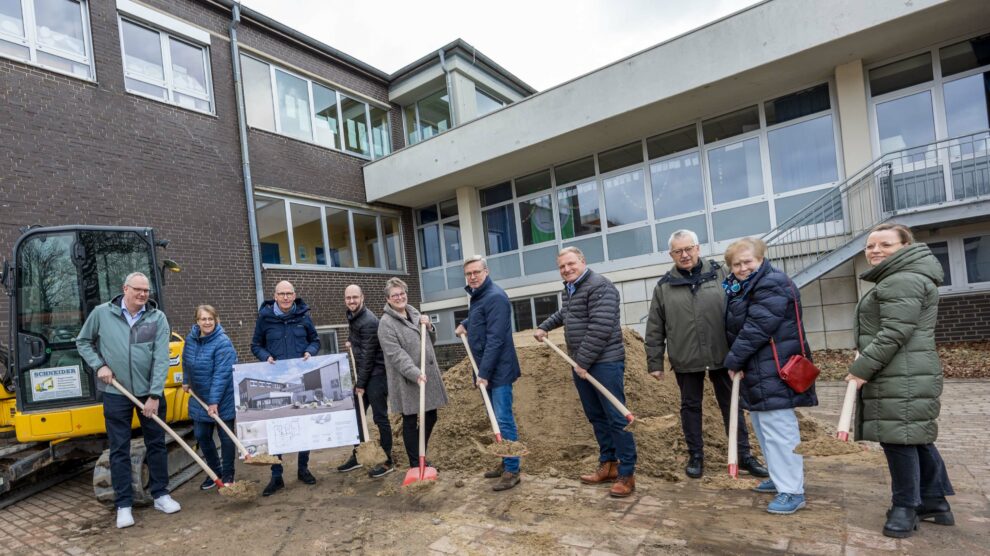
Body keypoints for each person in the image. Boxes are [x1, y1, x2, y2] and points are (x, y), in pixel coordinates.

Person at [845, 223, 954, 538]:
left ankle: (906, 508)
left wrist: (862, 368)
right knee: (914, 436)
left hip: (900, 371)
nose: (875, 250)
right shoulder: (904, 277)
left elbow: (894, 332)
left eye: (885, 244)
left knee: (898, 440)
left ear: (906, 247)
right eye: (870, 245)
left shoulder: (901, 279)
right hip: (906, 369)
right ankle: (934, 502)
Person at [645, 230, 768, 480]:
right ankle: (696, 456)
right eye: (678, 251)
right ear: (671, 255)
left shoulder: (721, 273)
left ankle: (743, 455)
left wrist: (744, 349)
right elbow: (655, 326)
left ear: (698, 248)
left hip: (724, 355)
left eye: (688, 248)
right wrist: (655, 362)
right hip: (686, 358)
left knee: (731, 405)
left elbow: (743, 303)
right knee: (690, 407)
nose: (685, 255)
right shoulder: (664, 287)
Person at [76, 272, 181, 529]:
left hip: (149, 393)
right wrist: (99, 365)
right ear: (125, 288)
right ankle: (124, 505)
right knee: (119, 448)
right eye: (138, 290)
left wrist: (155, 395)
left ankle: (161, 495)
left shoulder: (156, 318)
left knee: (156, 444)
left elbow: (161, 358)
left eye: (146, 290)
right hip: (116, 393)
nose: (143, 294)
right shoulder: (102, 314)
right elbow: (83, 341)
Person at [722, 238, 817, 515]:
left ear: (761, 259)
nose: (742, 268)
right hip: (758, 368)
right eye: (736, 264)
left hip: (775, 368)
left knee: (780, 431)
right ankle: (779, 478)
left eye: (748, 261)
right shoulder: (741, 287)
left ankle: (792, 491)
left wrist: (733, 359)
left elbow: (758, 327)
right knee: (765, 429)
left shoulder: (772, 283)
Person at [534, 247, 637, 498]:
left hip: (604, 363)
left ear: (583, 261)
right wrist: (545, 327)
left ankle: (627, 473)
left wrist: (583, 361)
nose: (567, 269)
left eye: (571, 264)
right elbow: (567, 314)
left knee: (616, 418)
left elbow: (600, 327)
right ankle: (609, 465)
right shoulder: (571, 289)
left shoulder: (600, 286)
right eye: (562, 266)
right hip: (584, 364)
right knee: (597, 416)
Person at [455, 255, 522, 491]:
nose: (472, 277)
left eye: (476, 272)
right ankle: (505, 461)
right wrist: (465, 322)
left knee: (503, 419)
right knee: (495, 418)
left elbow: (495, 339)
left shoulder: (496, 297)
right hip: (487, 368)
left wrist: (483, 373)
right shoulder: (480, 296)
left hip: (498, 370)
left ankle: (513, 469)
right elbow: (480, 318)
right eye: (468, 273)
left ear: (486, 271)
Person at [251, 280, 320, 496]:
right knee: (277, 428)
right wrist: (265, 356)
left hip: (301, 381)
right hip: (276, 382)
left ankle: (303, 468)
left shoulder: (303, 317)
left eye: (289, 293)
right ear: (275, 296)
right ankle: (276, 475)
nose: (286, 297)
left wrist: (310, 351)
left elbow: (315, 341)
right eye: (282, 294)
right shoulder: (265, 319)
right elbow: (255, 345)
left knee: (303, 425)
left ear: (294, 295)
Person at [377, 277, 448, 471]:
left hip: (427, 375)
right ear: (388, 299)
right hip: (407, 379)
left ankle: (420, 454)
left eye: (402, 293)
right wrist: (414, 373)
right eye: (395, 295)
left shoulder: (415, 313)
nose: (399, 297)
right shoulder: (386, 323)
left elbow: (430, 341)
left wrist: (430, 326)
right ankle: (416, 463)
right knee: (410, 419)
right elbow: (395, 355)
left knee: (431, 416)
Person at [338, 284, 394, 478]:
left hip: (376, 375)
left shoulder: (369, 320)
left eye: (355, 297)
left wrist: (360, 384)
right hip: (365, 374)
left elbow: (369, 357)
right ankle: (359, 454)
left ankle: (387, 460)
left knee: (380, 418)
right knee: (356, 417)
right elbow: (359, 340)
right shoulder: (354, 316)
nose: (351, 301)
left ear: (363, 297)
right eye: (348, 298)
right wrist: (350, 341)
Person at [182, 305, 237, 489]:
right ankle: (215, 472)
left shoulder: (223, 342)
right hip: (199, 397)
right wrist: (186, 380)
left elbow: (221, 375)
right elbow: (186, 361)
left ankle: (228, 476)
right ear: (197, 321)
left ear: (216, 320)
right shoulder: (191, 339)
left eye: (210, 319)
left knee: (226, 437)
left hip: (222, 398)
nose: (207, 322)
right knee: (201, 435)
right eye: (203, 319)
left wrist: (214, 401)